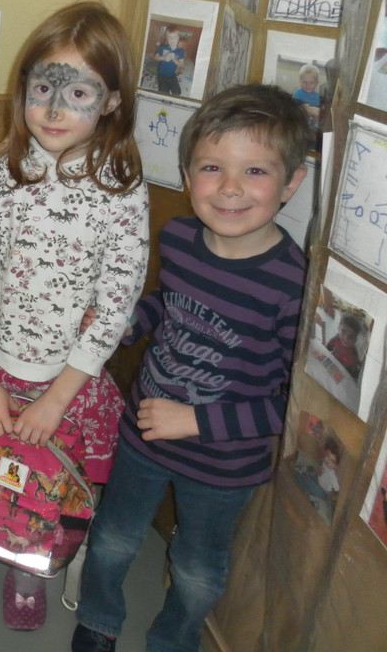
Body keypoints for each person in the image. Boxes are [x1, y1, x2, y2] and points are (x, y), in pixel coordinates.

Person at [0, 0, 150, 631]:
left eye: (78, 93)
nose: (54, 109)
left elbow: (117, 301)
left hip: (68, 382)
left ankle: (28, 568)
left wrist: (58, 398)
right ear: (23, 92)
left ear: (112, 101)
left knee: (44, 488)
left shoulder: (122, 188)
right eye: (43, 89)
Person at [72, 84, 310, 652]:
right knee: (112, 537)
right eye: (211, 167)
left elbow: (294, 406)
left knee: (198, 568)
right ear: (186, 176)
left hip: (224, 463)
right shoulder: (178, 237)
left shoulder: (292, 284)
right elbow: (169, 302)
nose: (230, 188)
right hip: (143, 434)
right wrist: (128, 322)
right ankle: (98, 620)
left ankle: (173, 641)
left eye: (255, 171)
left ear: (291, 183)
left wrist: (198, 422)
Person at [326, 313, 363, 378]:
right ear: (339, 328)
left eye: (351, 336)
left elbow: (354, 376)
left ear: (355, 340)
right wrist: (331, 353)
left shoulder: (354, 355)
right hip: (329, 370)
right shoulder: (334, 340)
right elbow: (325, 352)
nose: (346, 339)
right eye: (343, 331)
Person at [153, 27, 185, 95]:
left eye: (175, 37)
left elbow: (181, 64)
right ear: (167, 38)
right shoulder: (163, 48)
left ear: (179, 38)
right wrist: (164, 58)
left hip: (172, 75)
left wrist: (173, 59)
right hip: (161, 76)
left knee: (177, 93)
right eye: (169, 37)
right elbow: (156, 57)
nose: (172, 39)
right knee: (164, 93)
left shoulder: (180, 51)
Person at [292, 63, 323, 132]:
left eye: (311, 83)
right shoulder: (298, 94)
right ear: (300, 81)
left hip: (313, 125)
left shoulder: (318, 97)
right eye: (304, 82)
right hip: (300, 123)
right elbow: (295, 107)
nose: (308, 85)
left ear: (316, 83)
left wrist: (317, 117)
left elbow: (319, 112)